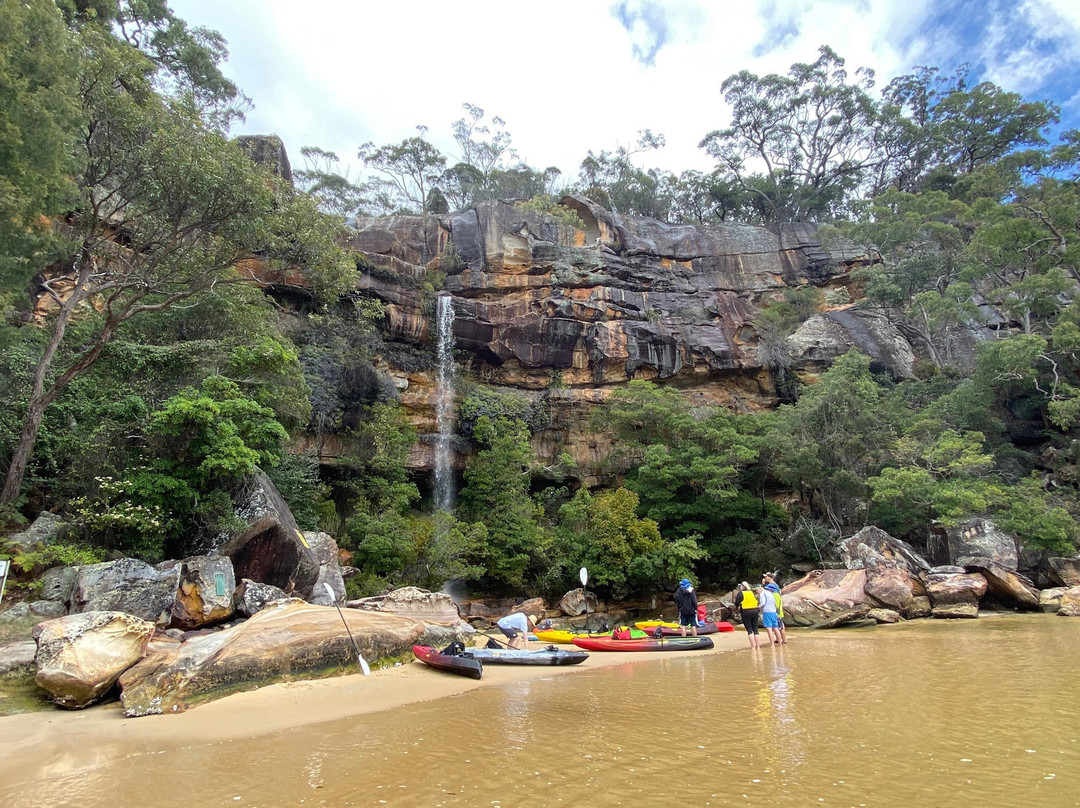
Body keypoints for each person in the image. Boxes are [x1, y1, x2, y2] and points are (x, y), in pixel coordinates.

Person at [733, 582, 761, 649]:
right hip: (755, 611)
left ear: (743, 587)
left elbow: (736, 603)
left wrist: (737, 608)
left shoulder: (740, 593)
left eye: (740, 586)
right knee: (755, 630)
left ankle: (753, 646)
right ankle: (758, 646)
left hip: (746, 611)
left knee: (749, 630)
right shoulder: (751, 593)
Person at [762, 574, 787, 644]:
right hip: (775, 611)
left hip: (776, 612)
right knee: (777, 626)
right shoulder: (773, 588)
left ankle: (784, 639)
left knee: (780, 626)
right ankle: (779, 639)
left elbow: (776, 604)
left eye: (766, 577)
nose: (764, 578)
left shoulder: (775, 590)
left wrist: (776, 612)